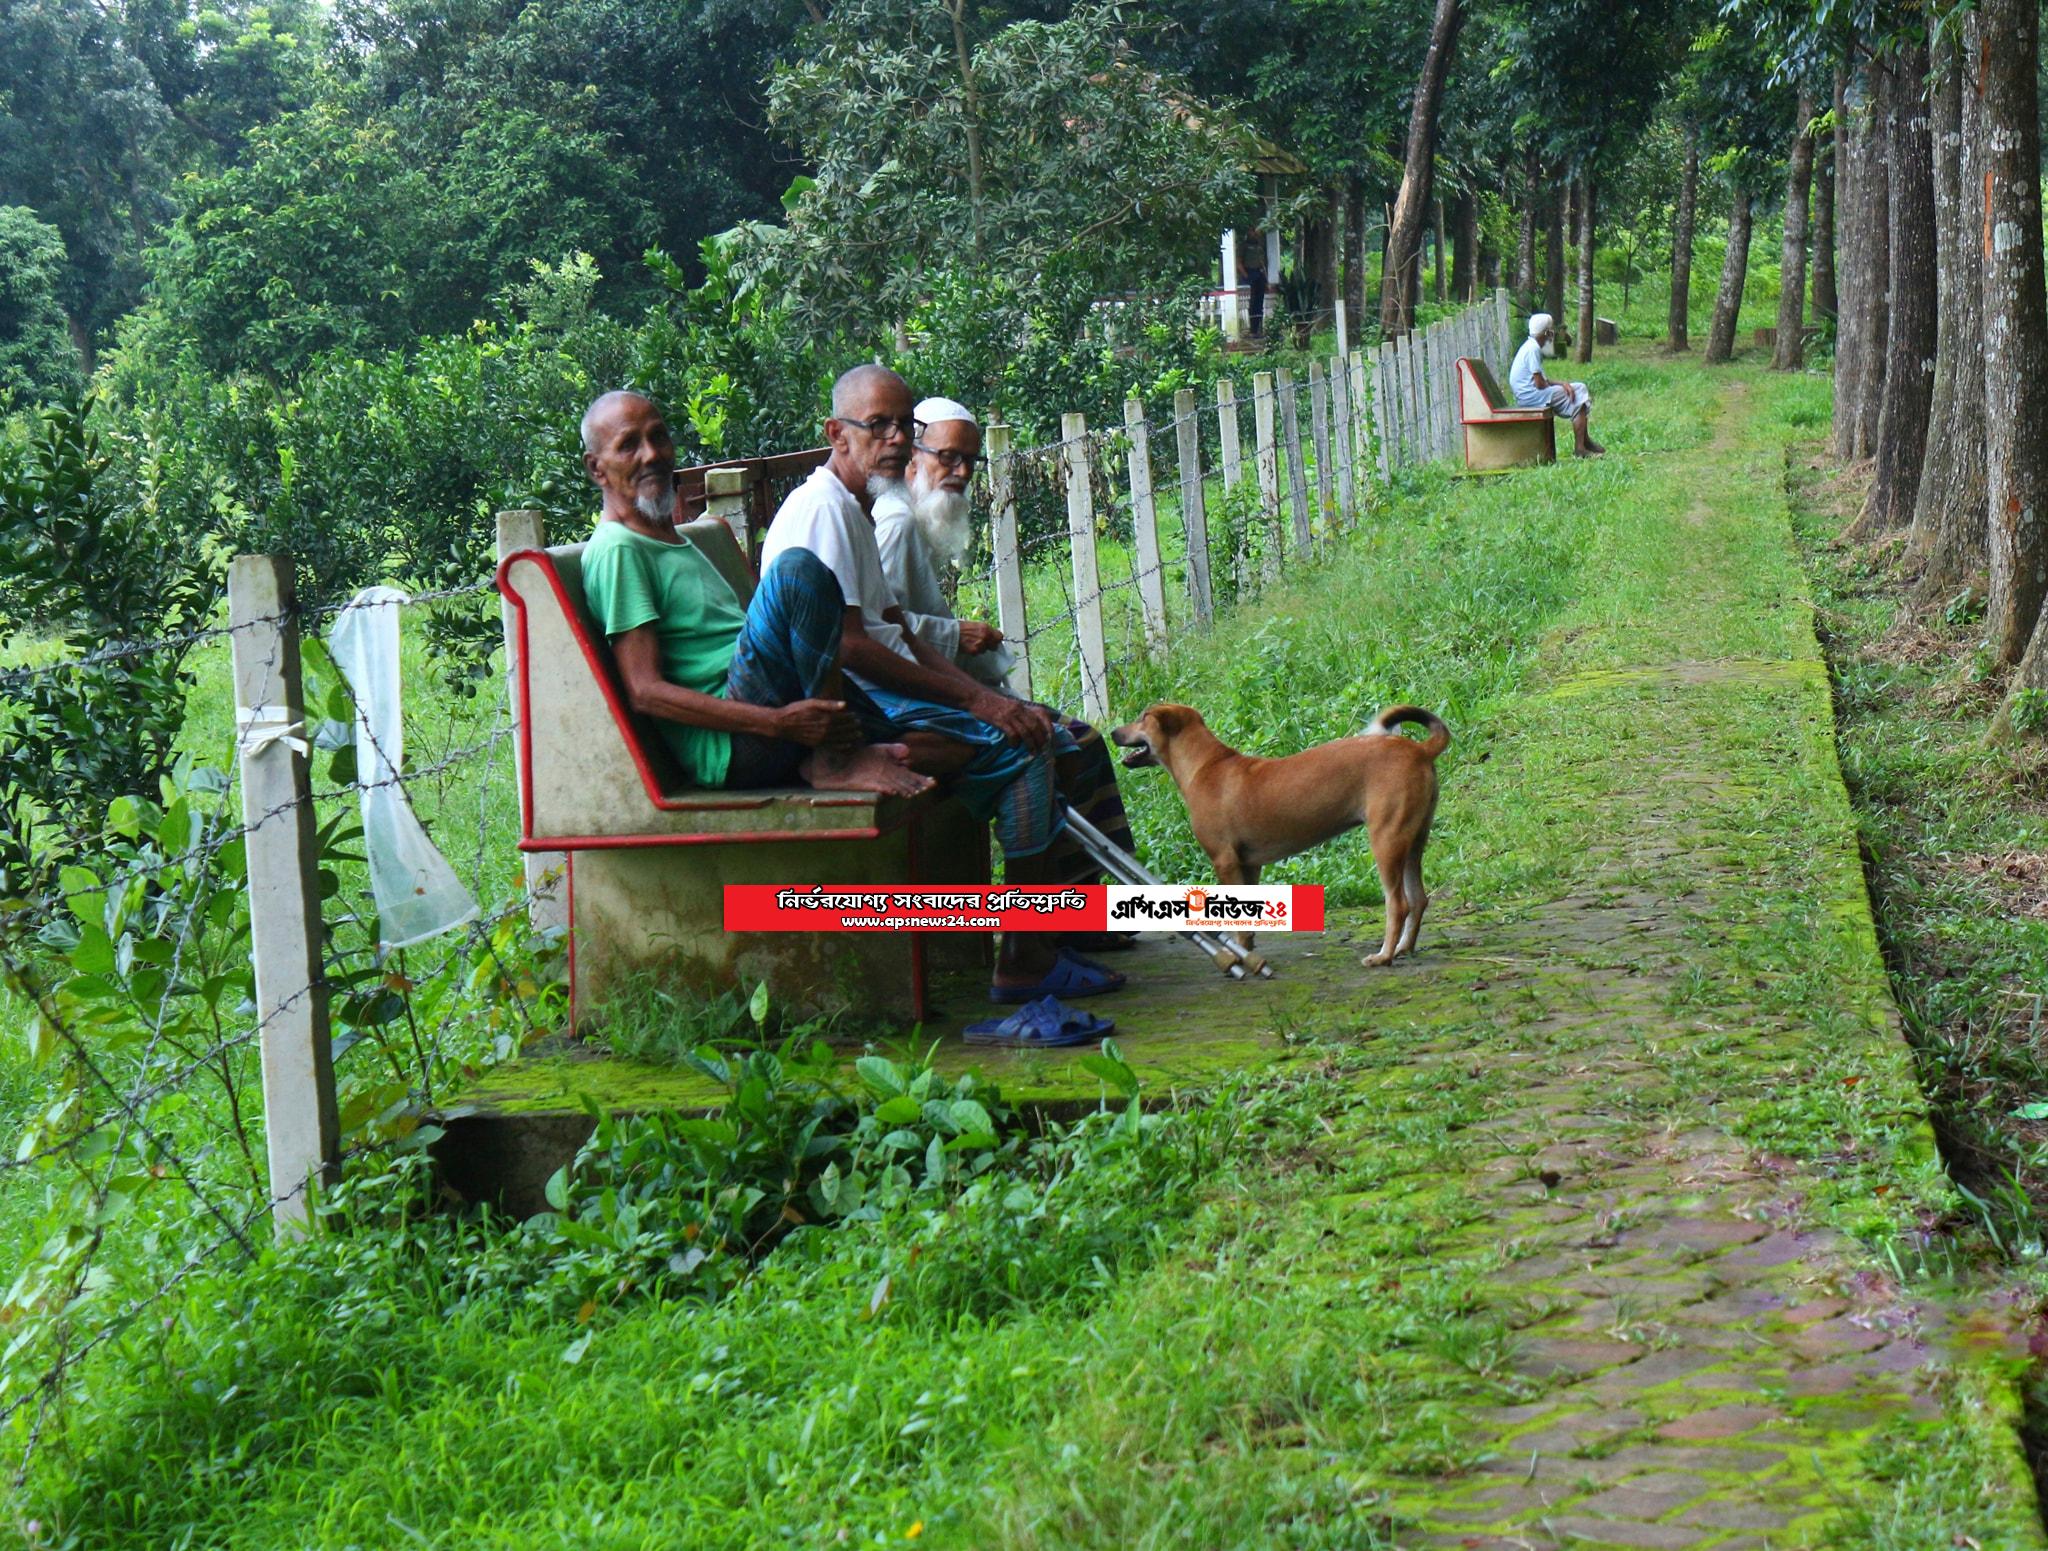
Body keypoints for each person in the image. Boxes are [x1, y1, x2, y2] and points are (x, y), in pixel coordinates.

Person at [759, 365, 1127, 1004]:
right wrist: (979, 703)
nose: (897, 439)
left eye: (906, 425)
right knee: (1025, 746)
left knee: (1031, 731)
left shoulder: (857, 505)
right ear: (836, 434)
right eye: (880, 425)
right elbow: (854, 648)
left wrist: (988, 699)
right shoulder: (823, 510)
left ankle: (1052, 935)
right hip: (849, 703)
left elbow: (896, 626)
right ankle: (1025, 954)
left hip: (875, 693)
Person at [575, 389, 930, 798]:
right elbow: (645, 691)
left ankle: (845, 755)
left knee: (945, 741)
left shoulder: (675, 541)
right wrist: (778, 724)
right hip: (739, 745)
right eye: (628, 446)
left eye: (658, 437)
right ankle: (836, 760)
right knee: (797, 569)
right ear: (597, 468)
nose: (652, 455)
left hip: (775, 712)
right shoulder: (619, 550)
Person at [873, 398, 1139, 929]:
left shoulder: (915, 520)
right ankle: (1060, 926)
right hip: (914, 702)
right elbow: (878, 633)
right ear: (911, 458)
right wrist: (958, 633)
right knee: (1069, 744)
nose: (961, 472)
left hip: (940, 691)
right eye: (948, 457)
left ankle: (1075, 915)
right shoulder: (895, 524)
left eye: (970, 461)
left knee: (1076, 743)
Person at [1509, 313, 1604, 458]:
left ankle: (1584, 442)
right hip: (1531, 396)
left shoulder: (1530, 346)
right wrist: (1562, 387)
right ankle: (1581, 446)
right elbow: (1540, 384)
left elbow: (1541, 379)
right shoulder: (1533, 350)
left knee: (1578, 389)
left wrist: (1562, 384)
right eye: (1550, 330)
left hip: (1529, 394)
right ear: (1546, 332)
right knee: (1579, 392)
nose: (1552, 333)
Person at [1242, 232, 1269, 339]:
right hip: (1250, 274)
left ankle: (1258, 330)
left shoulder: (1259, 247)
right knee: (1253, 304)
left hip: (1259, 275)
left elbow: (1262, 264)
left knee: (1259, 303)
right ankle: (1253, 330)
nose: (1255, 234)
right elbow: (1239, 262)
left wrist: (1266, 280)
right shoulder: (1244, 247)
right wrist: (1246, 275)